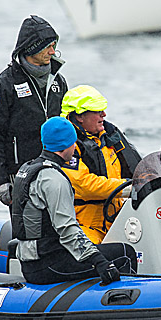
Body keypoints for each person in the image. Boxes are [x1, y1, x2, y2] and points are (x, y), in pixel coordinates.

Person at [12, 116, 137, 285]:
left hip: (30, 261)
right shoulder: (54, 179)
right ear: (68, 144)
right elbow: (68, 230)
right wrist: (99, 262)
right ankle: (120, 304)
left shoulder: (27, 169)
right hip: (49, 265)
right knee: (125, 252)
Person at [0, 15, 69, 208]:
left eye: (54, 45)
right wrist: (1, 181)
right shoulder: (4, 84)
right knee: (27, 231)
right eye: (48, 46)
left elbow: (68, 126)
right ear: (32, 47)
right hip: (20, 174)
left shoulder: (58, 81)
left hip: (58, 169)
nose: (53, 51)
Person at [60, 85, 142, 244]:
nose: (104, 115)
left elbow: (137, 169)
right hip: (84, 225)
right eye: (98, 111)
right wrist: (126, 188)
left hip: (116, 221)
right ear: (79, 117)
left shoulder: (109, 137)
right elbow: (84, 186)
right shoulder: (67, 145)